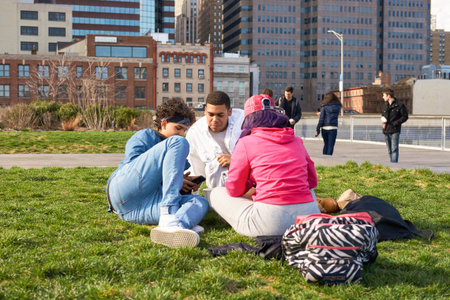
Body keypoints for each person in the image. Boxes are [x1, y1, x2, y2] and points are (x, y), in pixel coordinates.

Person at [209, 94, 320, 237]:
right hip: (309, 221)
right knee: (307, 191)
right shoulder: (297, 141)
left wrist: (253, 186)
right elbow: (312, 182)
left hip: (270, 224)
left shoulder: (246, 143)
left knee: (214, 192)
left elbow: (234, 189)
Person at [106, 98, 209, 248]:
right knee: (178, 143)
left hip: (134, 211)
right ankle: (169, 213)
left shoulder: (178, 151)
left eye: (184, 130)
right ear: (164, 123)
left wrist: (180, 183)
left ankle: (176, 224)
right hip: (123, 191)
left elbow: (167, 185)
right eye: (178, 128)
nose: (181, 133)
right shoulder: (146, 136)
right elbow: (132, 170)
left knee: (200, 202)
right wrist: (168, 177)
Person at [186, 91, 244, 188]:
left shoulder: (244, 121)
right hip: (217, 191)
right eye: (211, 114)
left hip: (247, 187)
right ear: (205, 110)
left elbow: (259, 156)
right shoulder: (195, 132)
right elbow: (194, 169)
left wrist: (236, 160)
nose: (215, 119)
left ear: (229, 111)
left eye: (220, 115)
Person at [381, 88, 408, 163]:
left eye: (384, 95)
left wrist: (396, 123)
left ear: (388, 96)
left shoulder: (399, 105)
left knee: (394, 149)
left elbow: (405, 116)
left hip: (395, 130)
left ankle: (394, 165)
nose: (383, 97)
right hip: (386, 130)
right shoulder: (384, 105)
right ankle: (391, 163)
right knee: (389, 149)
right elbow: (383, 115)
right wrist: (383, 121)